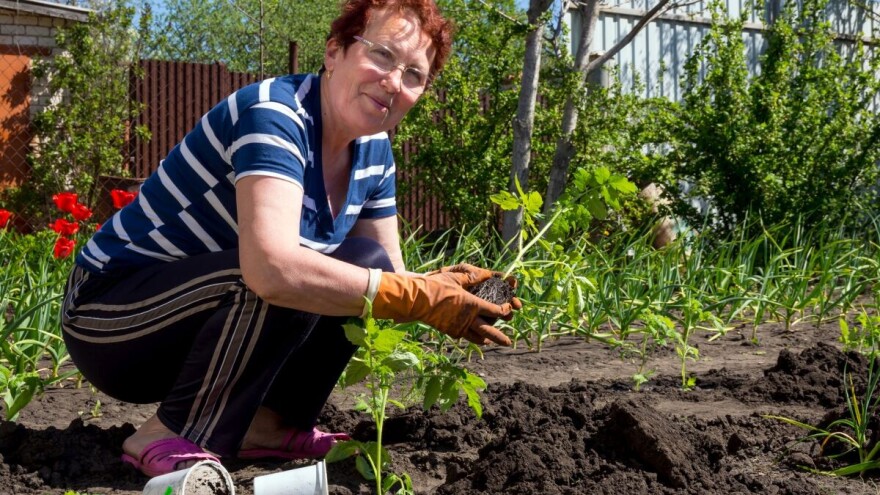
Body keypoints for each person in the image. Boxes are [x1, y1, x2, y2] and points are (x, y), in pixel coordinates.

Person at [60, 0, 520, 479]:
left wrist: (439, 288)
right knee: (280, 270)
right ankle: (166, 434)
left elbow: (389, 277)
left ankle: (269, 426)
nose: (393, 81)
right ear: (334, 52)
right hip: (110, 320)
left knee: (365, 262)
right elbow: (272, 269)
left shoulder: (374, 151)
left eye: (414, 75)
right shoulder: (275, 115)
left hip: (199, 327)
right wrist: (413, 295)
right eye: (382, 55)